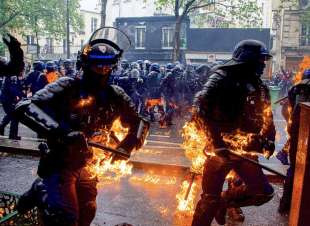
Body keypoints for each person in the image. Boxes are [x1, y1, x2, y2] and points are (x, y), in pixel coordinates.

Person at [15, 27, 149, 226]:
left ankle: (42, 189)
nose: (102, 71)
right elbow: (25, 107)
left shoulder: (115, 94)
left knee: (87, 211)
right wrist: (63, 133)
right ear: (86, 64)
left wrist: (126, 146)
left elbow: (140, 123)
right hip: (61, 162)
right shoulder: (67, 86)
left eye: (107, 66)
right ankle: (42, 190)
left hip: (89, 163)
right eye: (97, 66)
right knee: (65, 217)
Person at [191, 39, 276, 226]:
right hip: (220, 152)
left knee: (263, 192)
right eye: (260, 60)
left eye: (264, 60)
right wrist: (216, 143)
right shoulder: (222, 77)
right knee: (209, 200)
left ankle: (224, 201)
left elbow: (267, 115)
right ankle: (214, 205)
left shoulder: (260, 86)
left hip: (246, 151)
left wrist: (269, 139)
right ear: (247, 60)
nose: (263, 64)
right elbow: (199, 108)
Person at [277, 68, 310, 214]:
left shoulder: (296, 88)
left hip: (297, 133)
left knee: (294, 168)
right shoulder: (296, 88)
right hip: (301, 133)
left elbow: (289, 109)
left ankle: (285, 204)